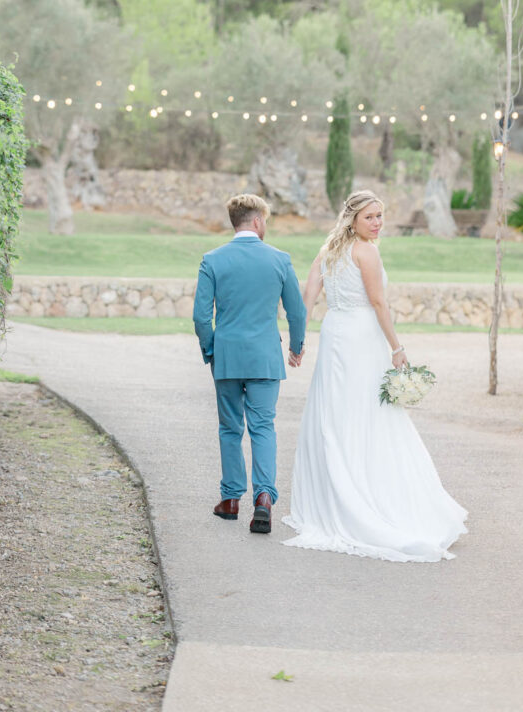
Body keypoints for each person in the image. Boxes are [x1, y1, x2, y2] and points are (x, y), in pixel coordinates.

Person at [282, 189, 467, 561]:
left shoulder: (327, 251)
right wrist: (397, 348)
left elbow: (308, 299)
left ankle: (336, 491)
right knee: (366, 414)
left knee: (337, 412)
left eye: (380, 216)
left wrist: (298, 342)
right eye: (370, 216)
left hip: (337, 333)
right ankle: (365, 494)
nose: (377, 222)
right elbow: (378, 302)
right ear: (352, 218)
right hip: (360, 336)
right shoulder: (365, 251)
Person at [193, 193, 306, 534]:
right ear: (257, 221)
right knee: (262, 427)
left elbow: (201, 316)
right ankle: (264, 498)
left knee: (230, 428)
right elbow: (297, 311)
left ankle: (229, 500)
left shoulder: (212, 260)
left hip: (227, 356)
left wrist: (212, 350)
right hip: (265, 357)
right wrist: (296, 347)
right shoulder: (280, 259)